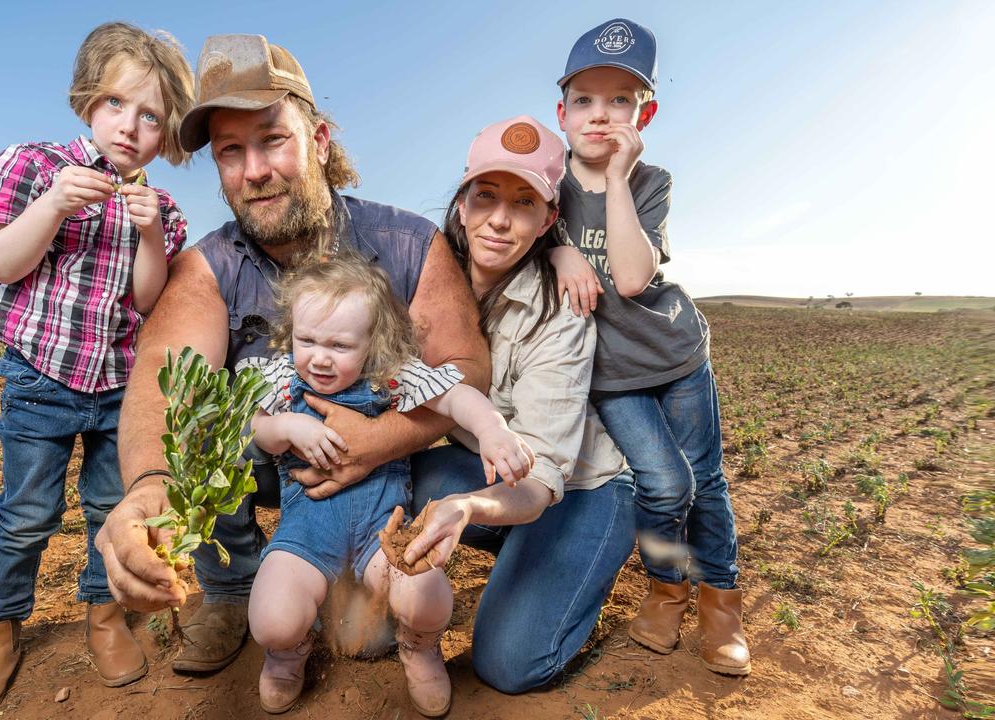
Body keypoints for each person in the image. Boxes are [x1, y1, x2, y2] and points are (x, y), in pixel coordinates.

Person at [92, 33, 489, 678]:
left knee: (436, 511)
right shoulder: (207, 265)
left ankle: (369, 568)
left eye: (273, 139)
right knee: (208, 420)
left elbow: (465, 371)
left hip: (393, 471)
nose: (254, 170)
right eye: (230, 151)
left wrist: (377, 439)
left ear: (320, 141)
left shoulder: (409, 242)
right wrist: (150, 489)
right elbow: (164, 387)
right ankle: (230, 587)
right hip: (274, 459)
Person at [0, 22, 196, 720]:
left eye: (152, 117)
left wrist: (148, 232)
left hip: (119, 386)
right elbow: (2, 264)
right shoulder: (33, 165)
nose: (130, 126)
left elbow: (147, 299)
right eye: (117, 104)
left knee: (109, 510)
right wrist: (55, 202)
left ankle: (106, 619)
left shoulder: (162, 209)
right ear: (87, 100)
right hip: (42, 377)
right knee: (26, 513)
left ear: (167, 133)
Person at [402, 114, 637, 694]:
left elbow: (542, 474)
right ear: (462, 202)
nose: (500, 221)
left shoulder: (561, 310)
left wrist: (468, 509)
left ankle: (575, 567)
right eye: (486, 197)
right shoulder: (421, 278)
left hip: (576, 487)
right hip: (490, 468)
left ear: (548, 218)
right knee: (398, 479)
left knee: (508, 666)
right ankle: (519, 549)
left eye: (524, 202)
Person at [241, 255, 532, 715]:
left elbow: (456, 396)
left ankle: (419, 645)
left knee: (426, 595)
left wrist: (493, 430)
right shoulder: (282, 380)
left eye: (339, 345)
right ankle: (285, 653)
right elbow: (258, 427)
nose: (318, 356)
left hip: (385, 531)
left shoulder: (390, 377)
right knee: (273, 619)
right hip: (307, 533)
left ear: (372, 341)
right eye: (307, 339)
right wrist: (291, 427)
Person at [548, 18, 750, 675]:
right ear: (562, 111)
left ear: (646, 112)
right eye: (585, 99)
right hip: (612, 376)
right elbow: (510, 225)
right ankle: (668, 591)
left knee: (708, 483)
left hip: (677, 357)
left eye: (620, 101)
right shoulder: (548, 186)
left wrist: (615, 179)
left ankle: (721, 608)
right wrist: (557, 252)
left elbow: (634, 277)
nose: (600, 115)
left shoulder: (650, 180)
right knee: (664, 484)